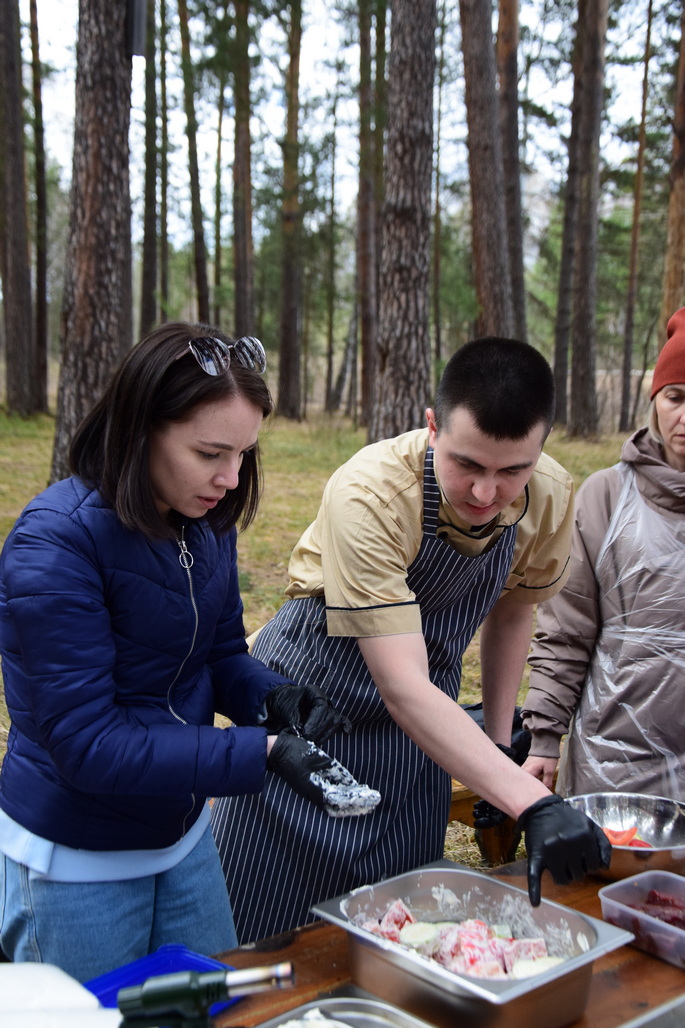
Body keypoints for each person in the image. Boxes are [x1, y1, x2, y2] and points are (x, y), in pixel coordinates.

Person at [210, 336, 611, 944]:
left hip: (423, 719)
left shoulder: (549, 496)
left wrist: (499, 752)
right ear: (432, 425)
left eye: (512, 470)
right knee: (267, 918)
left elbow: (511, 613)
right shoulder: (370, 492)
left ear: (541, 449)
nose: (485, 493)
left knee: (395, 922)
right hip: (311, 700)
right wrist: (532, 801)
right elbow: (401, 684)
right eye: (468, 464)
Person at [0, 322, 350, 982]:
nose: (230, 477)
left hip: (181, 836)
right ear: (140, 430)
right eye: (211, 452)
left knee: (214, 1008)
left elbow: (216, 653)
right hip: (75, 856)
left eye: (245, 453)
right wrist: (261, 753)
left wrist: (267, 695)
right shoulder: (54, 546)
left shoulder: (205, 523)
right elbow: (87, 743)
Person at [522, 307, 685, 800]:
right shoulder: (607, 497)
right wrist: (546, 738)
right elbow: (565, 630)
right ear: (655, 401)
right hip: (618, 755)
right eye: (676, 397)